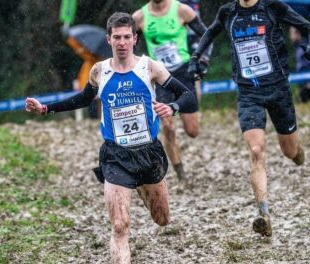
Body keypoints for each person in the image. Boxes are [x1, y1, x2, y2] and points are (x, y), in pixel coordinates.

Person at [26, 12, 196, 263]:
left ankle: (141, 188)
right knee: (119, 226)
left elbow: (187, 95)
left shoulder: (149, 67)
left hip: (148, 152)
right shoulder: (99, 71)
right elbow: (82, 100)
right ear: (109, 40)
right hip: (115, 156)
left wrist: (172, 108)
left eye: (127, 37)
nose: (122, 42)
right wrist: (46, 108)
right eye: (117, 37)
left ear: (135, 39)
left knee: (162, 219)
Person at [190, 0, 310, 236]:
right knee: (256, 151)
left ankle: (297, 154)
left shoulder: (272, 7)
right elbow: (210, 32)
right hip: (249, 93)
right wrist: (195, 57)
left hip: (278, 89)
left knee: (289, 151)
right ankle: (264, 214)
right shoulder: (228, 12)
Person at [132, 0, 211, 181]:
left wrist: (201, 59)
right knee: (167, 125)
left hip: (183, 73)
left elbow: (207, 35)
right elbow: (128, 46)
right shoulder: (139, 17)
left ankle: (184, 124)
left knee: (192, 131)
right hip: (160, 76)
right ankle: (180, 171)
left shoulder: (182, 10)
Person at [289, 27, 310, 103]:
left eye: (291, 33)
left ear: (298, 34)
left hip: (309, 85)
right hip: (303, 83)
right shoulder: (299, 46)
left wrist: (309, 83)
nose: (290, 36)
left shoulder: (304, 47)